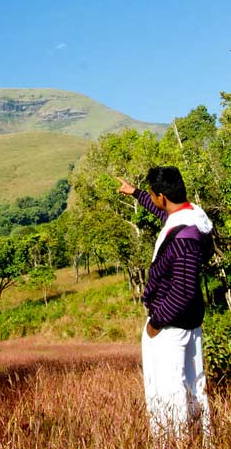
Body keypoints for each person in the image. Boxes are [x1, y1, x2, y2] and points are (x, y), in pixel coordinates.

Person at [117, 166, 212, 444]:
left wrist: (156, 323)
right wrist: (135, 193)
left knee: (168, 394)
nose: (152, 198)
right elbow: (164, 213)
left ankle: (175, 442)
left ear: (162, 195)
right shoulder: (191, 218)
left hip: (171, 327)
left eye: (151, 194)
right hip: (189, 321)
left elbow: (182, 291)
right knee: (195, 388)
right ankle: (202, 441)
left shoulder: (183, 239)